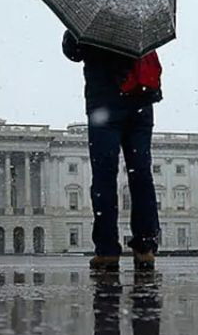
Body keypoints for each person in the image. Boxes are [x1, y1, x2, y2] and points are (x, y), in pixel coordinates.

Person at [63, 30, 163, 271]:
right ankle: (145, 247)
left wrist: (75, 34)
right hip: (140, 100)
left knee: (104, 177)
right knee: (141, 175)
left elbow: (72, 52)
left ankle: (107, 249)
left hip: (104, 104)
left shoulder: (90, 20)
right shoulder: (139, 18)